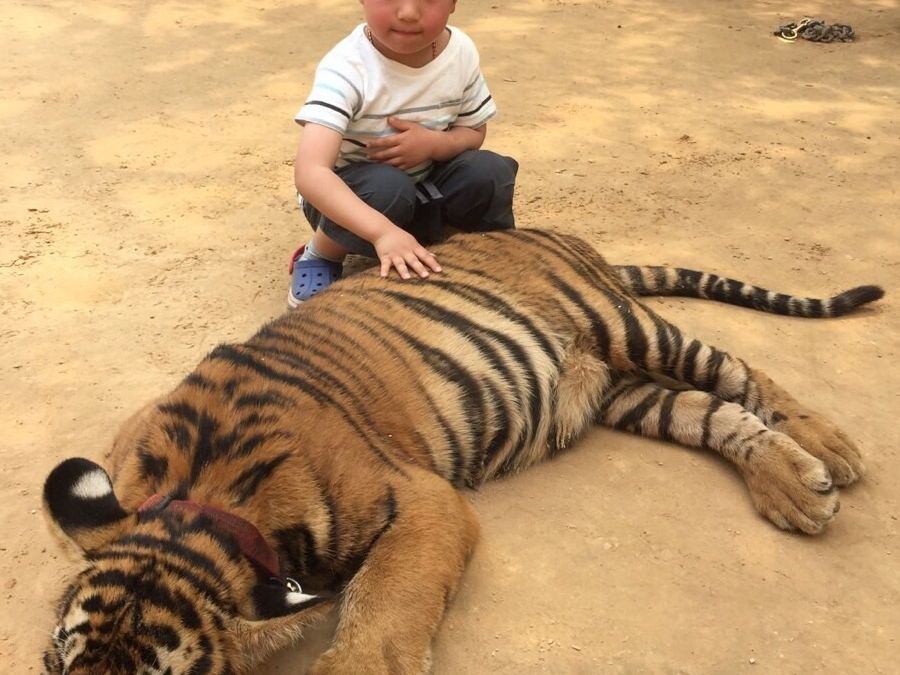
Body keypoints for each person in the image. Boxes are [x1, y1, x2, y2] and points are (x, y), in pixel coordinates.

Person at [287, 0, 519, 307]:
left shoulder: (460, 51)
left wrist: (434, 144)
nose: (409, 13)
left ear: (453, 3)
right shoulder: (347, 67)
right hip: (354, 204)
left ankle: (471, 247)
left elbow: (474, 130)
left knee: (489, 171)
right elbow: (310, 172)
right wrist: (382, 233)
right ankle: (321, 253)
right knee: (388, 186)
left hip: (426, 187)